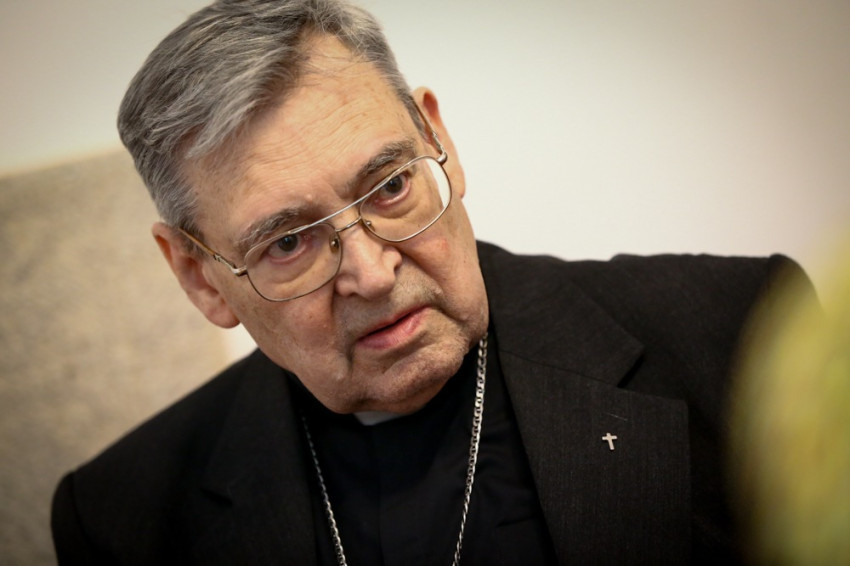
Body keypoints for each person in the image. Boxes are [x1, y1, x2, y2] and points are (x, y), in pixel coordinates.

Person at [50, 1, 813, 564]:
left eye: (389, 188)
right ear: (200, 277)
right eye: (288, 242)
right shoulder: (121, 517)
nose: (372, 273)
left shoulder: (745, 334)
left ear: (437, 138)